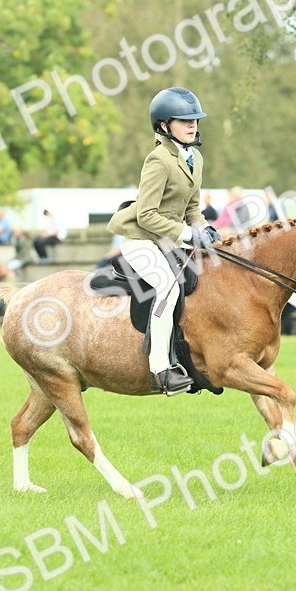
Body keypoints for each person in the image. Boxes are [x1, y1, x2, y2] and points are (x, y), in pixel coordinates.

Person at [107, 87, 220, 396]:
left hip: (168, 240)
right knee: (167, 286)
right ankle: (161, 370)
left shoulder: (195, 157)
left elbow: (192, 208)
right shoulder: (158, 160)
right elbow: (146, 215)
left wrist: (204, 228)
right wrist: (189, 234)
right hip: (141, 239)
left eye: (195, 120)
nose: (192, 125)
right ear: (163, 125)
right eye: (184, 121)